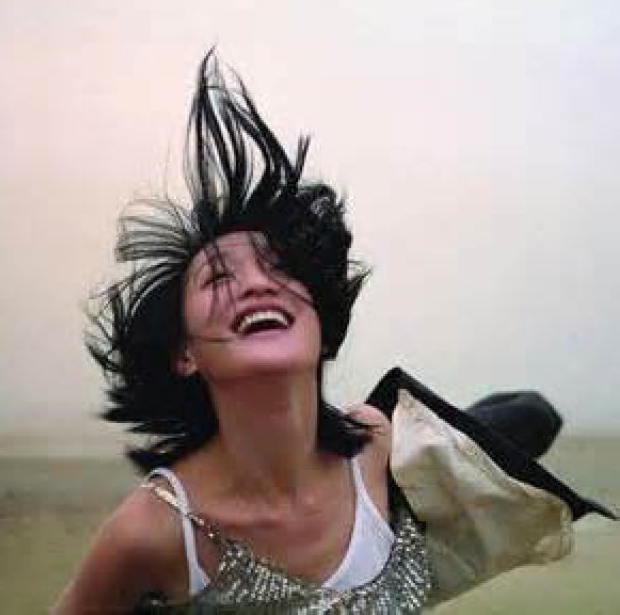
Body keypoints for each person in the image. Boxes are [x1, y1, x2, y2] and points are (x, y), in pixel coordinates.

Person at [54, 53, 614, 614]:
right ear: (184, 352)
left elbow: (530, 418)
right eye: (219, 277)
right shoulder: (153, 531)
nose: (258, 284)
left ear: (321, 322)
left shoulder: (376, 448)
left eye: (280, 267)